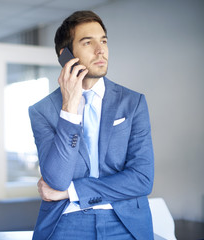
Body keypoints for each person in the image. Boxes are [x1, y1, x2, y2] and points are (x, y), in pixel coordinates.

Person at [29, 10, 154, 240]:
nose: (101, 50)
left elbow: (142, 179)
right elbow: (56, 179)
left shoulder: (133, 103)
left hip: (125, 223)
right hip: (66, 221)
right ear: (66, 55)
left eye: (103, 41)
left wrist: (71, 191)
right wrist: (69, 109)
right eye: (88, 42)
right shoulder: (42, 111)